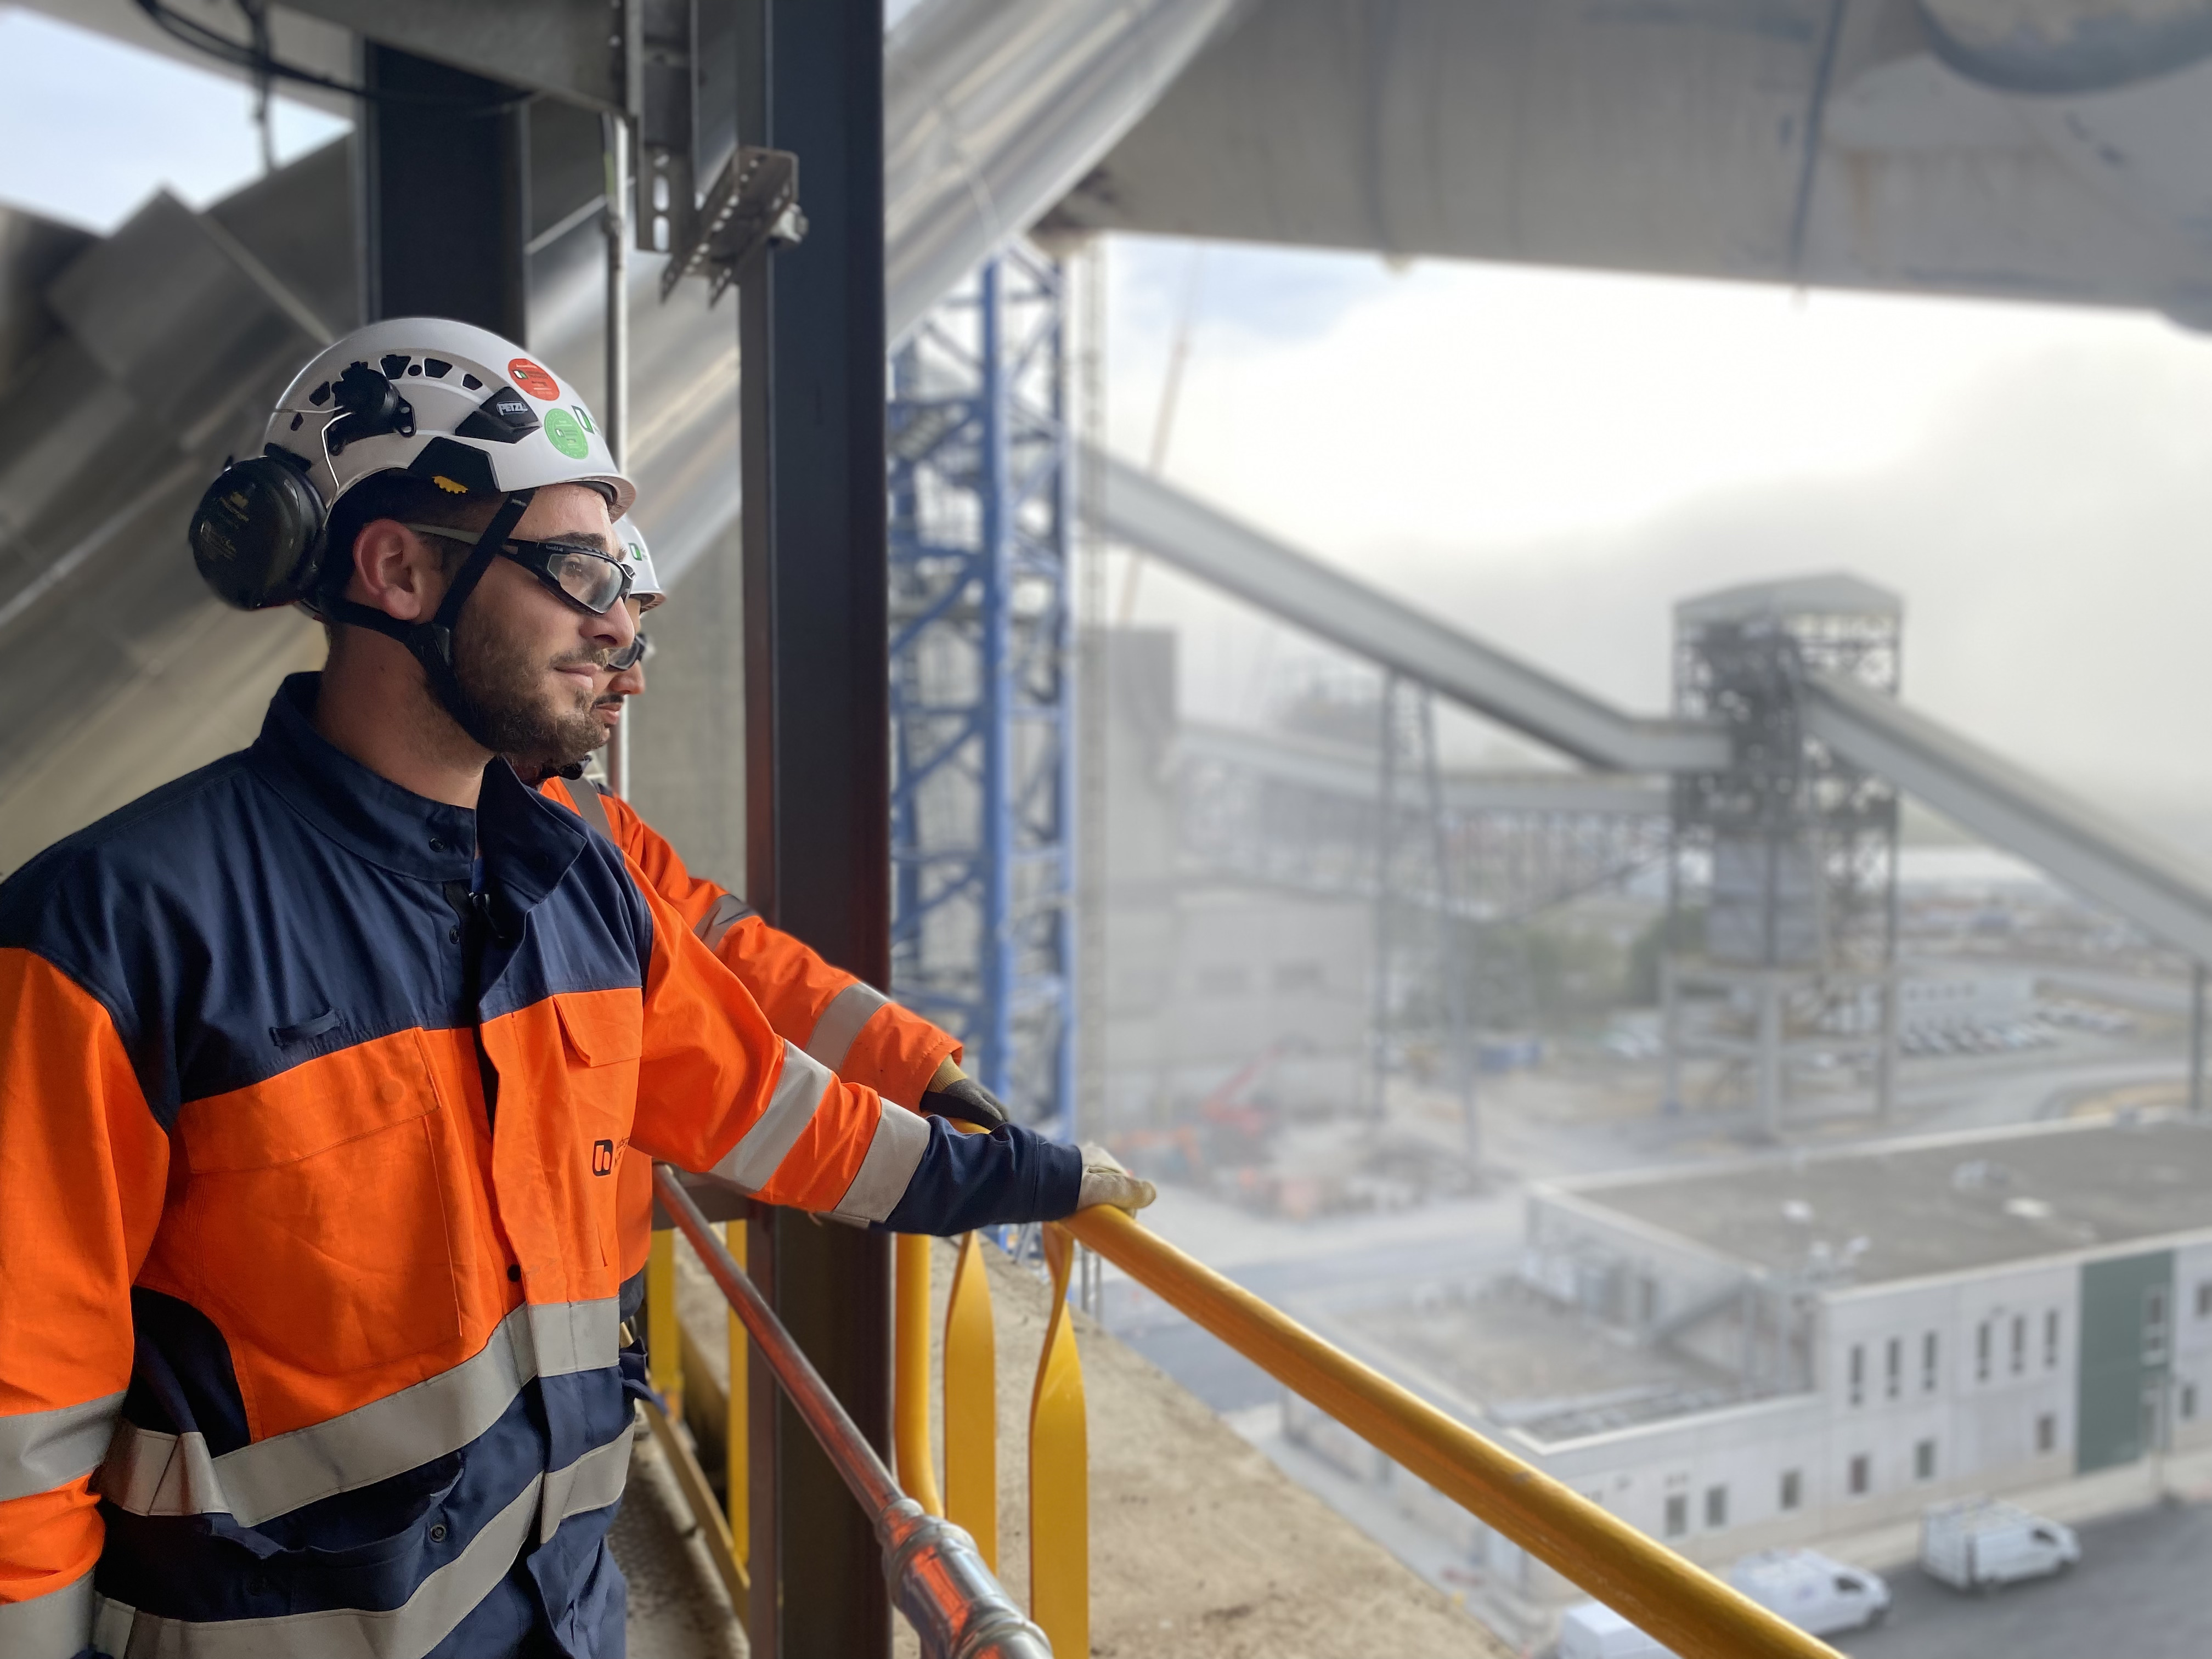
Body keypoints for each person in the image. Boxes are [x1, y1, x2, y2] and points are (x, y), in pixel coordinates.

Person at [0, 319, 1144, 1659]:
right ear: (398, 569)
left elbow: (765, 1107)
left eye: (624, 578)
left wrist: (1021, 1174)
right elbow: (23, 1412)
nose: (620, 629)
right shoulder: (114, 932)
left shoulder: (575, 880)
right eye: (578, 570)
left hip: (565, 1612)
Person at [517, 522, 1038, 1345]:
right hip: (515, 1349)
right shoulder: (476, 849)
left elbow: (731, 954)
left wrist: (912, 1065)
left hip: (586, 1325)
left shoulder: (588, 821)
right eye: (613, 650)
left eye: (635, 645)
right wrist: (957, 1176)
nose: (634, 680)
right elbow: (727, 1086)